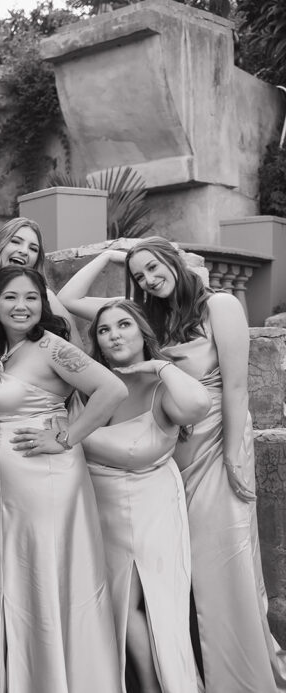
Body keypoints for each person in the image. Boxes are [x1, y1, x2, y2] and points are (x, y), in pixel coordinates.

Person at [57, 237, 286, 691]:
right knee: (185, 572)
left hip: (217, 438)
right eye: (139, 275)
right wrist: (111, 256)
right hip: (170, 447)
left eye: (154, 267)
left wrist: (236, 458)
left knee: (227, 566)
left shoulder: (218, 305)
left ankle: (243, 680)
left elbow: (237, 388)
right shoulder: (149, 316)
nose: (148, 279)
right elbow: (69, 299)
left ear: (174, 260)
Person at [0, 265, 126, 693]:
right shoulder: (1, 351)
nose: (21, 306)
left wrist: (65, 438)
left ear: (43, 304)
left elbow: (111, 390)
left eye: (31, 297)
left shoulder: (48, 345)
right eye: (10, 297)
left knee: (46, 575)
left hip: (46, 481)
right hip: (8, 491)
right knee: (22, 577)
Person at [72, 300, 208, 693]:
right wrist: (111, 255)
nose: (114, 334)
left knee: (151, 605)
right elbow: (63, 301)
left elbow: (199, 405)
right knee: (111, 607)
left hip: (152, 506)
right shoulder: (89, 384)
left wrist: (158, 366)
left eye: (124, 325)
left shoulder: (163, 387)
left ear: (142, 332)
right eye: (103, 329)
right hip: (98, 510)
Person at [0, 217, 81, 346]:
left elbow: (78, 351)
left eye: (33, 249)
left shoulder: (46, 297)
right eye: (16, 242)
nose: (24, 251)